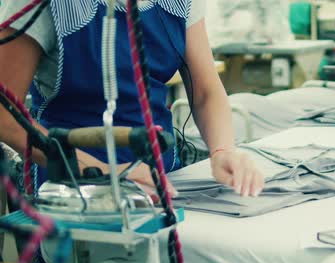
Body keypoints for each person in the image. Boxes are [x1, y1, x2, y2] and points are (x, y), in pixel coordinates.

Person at [0, 0, 264, 198]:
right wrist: (103, 172)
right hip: (75, 191)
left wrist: (223, 150)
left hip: (162, 180)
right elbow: (4, 118)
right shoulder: (42, 5)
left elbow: (206, 92)